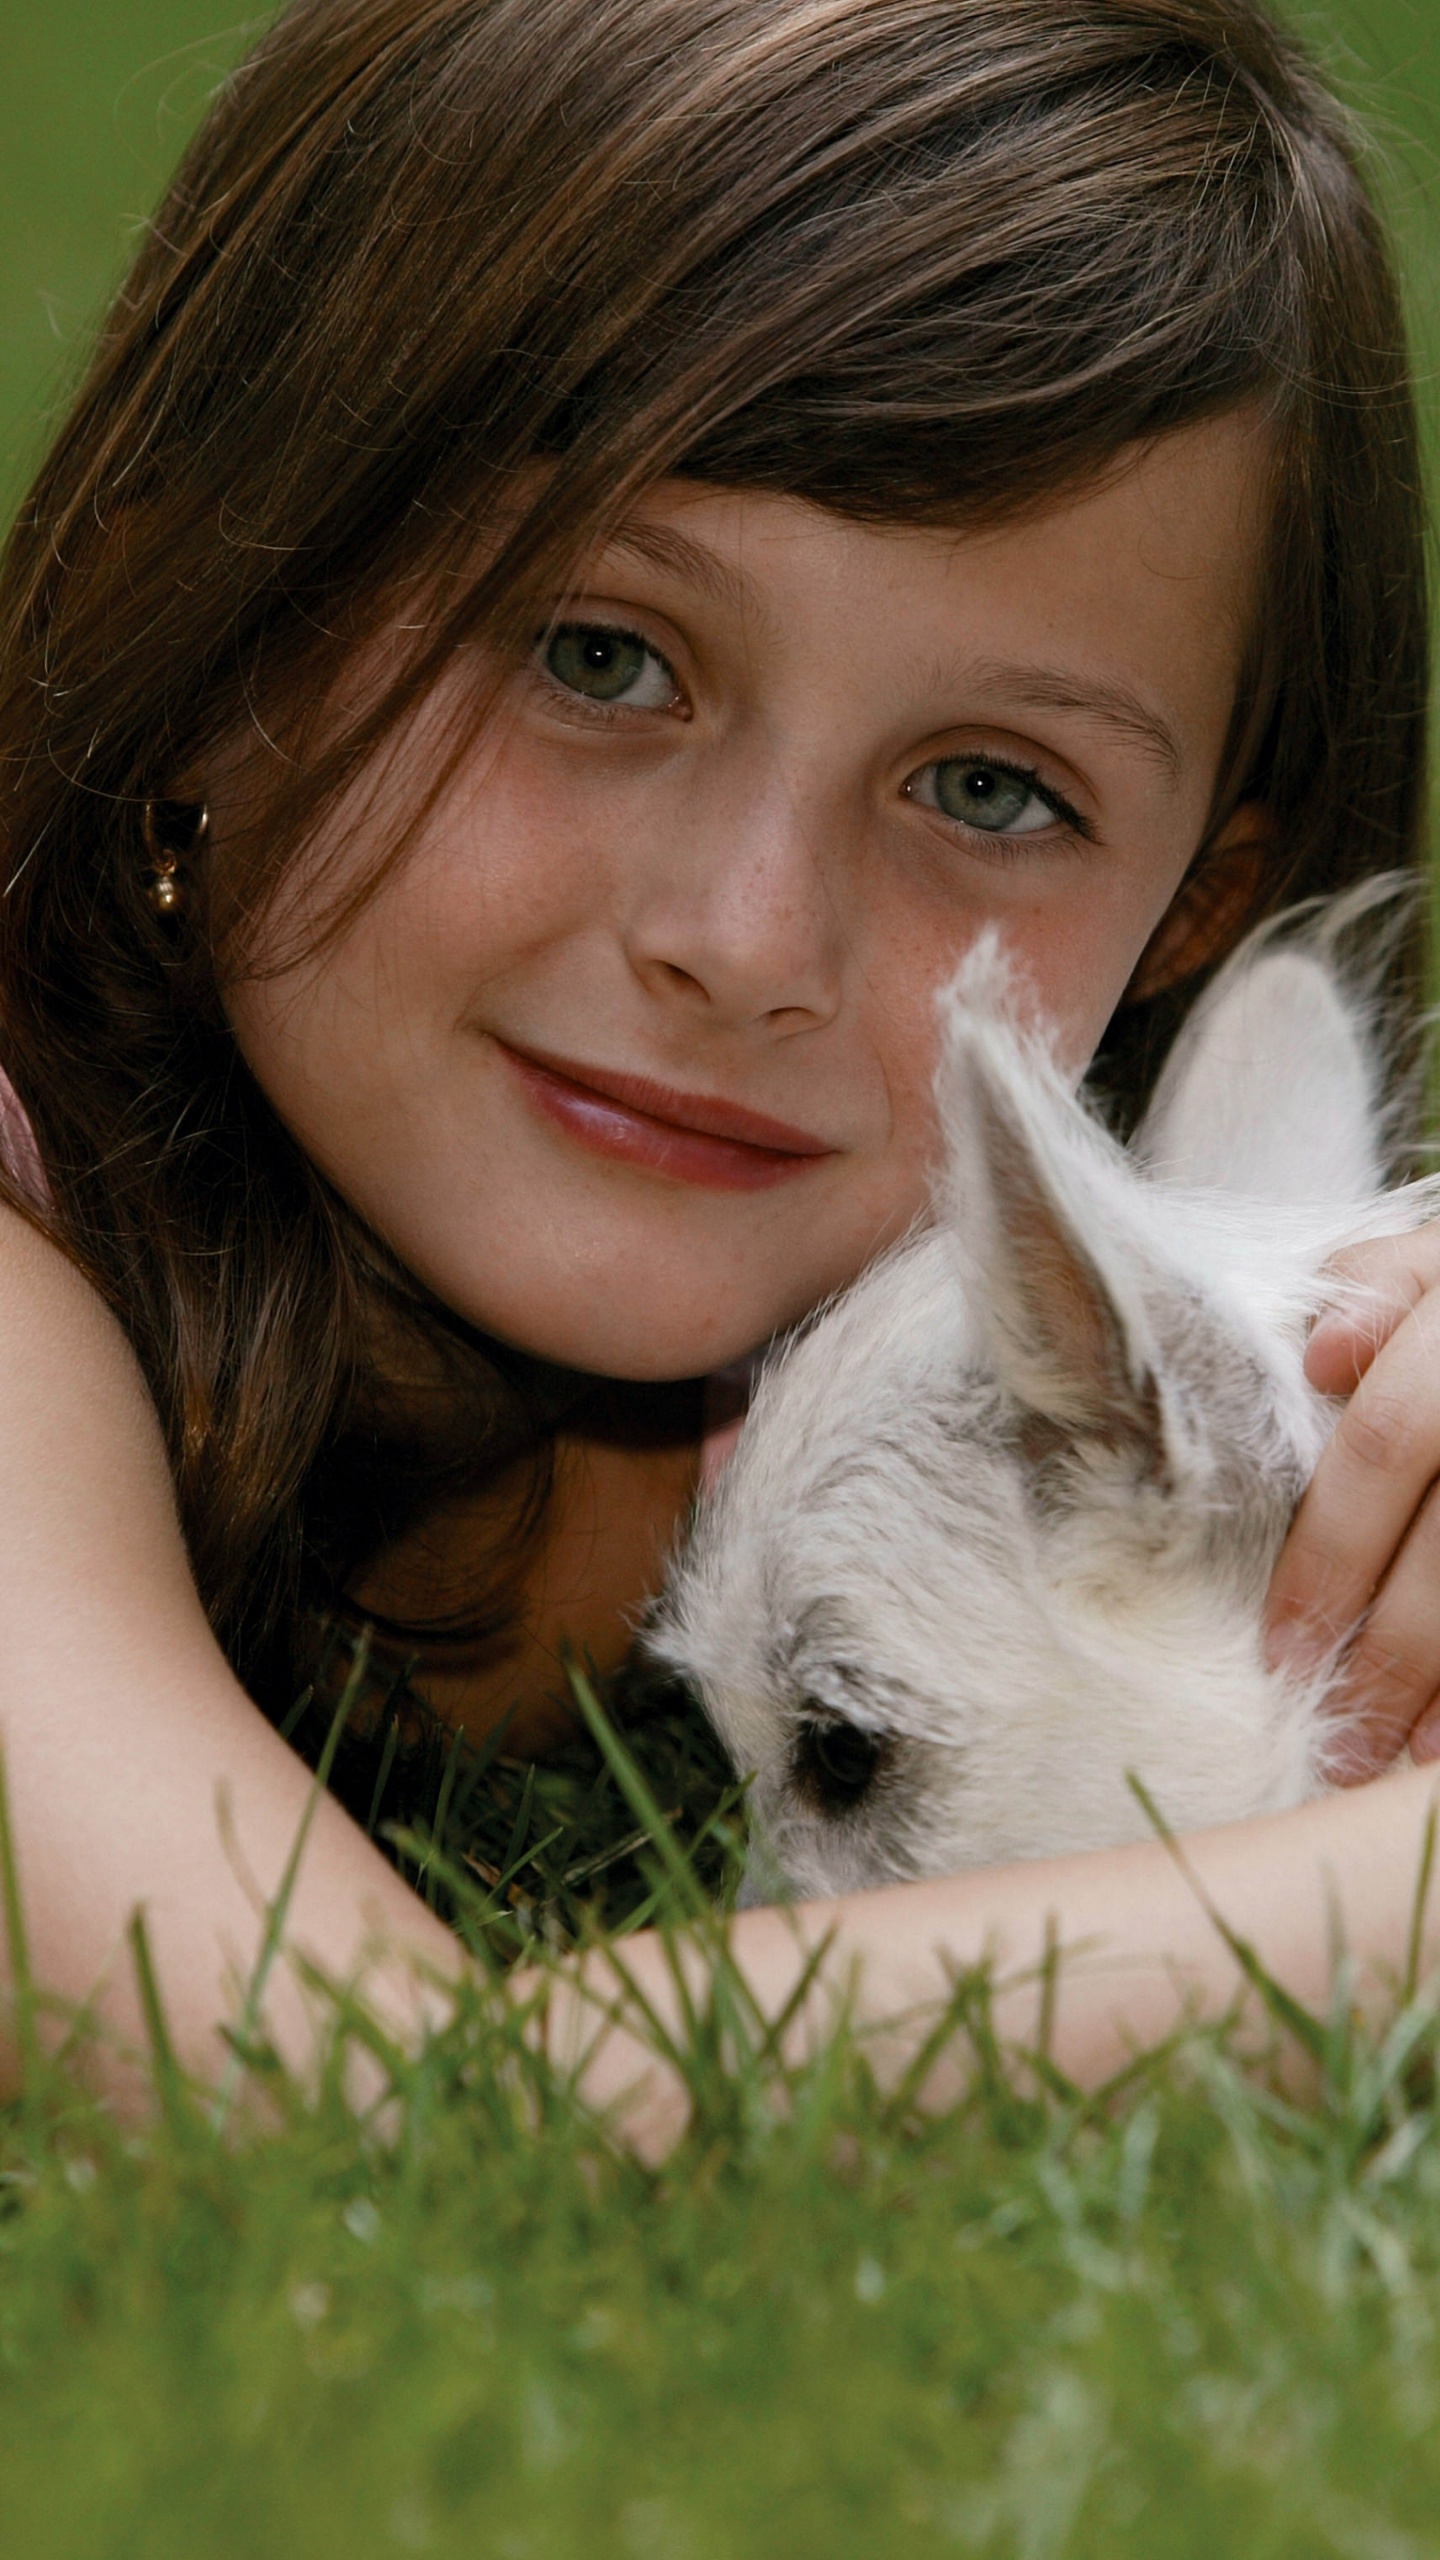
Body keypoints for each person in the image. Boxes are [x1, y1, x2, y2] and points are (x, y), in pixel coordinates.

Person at [0, 0, 1437, 2136]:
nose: (743, 937)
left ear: (1196, 906)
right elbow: (368, 2126)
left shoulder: (938, 1354)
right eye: (602, 654)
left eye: (985, 781)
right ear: (204, 606)